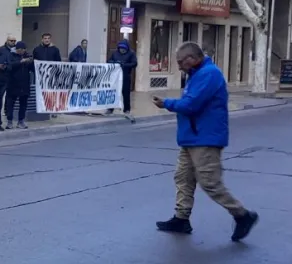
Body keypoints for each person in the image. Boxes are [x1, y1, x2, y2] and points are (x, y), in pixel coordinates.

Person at [152, 42, 258, 242]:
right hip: (191, 138)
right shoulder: (196, 75)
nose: (179, 66)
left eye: (180, 62)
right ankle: (181, 218)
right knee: (183, 178)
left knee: (210, 183)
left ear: (192, 59)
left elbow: (191, 104)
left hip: (205, 139)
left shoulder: (209, 74)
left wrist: (166, 103)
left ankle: (242, 215)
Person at [108, 40, 138, 121]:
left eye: (124, 48)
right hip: (116, 77)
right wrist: (115, 63)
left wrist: (124, 65)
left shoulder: (131, 54)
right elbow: (109, 61)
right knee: (113, 92)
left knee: (126, 94)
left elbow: (134, 63)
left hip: (125, 76)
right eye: (121, 48)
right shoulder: (115, 53)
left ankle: (127, 109)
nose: (122, 50)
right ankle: (110, 108)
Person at [5, 41, 33, 129]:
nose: (21, 51)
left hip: (24, 84)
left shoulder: (27, 56)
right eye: (20, 49)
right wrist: (21, 62)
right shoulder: (11, 55)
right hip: (13, 83)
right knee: (10, 103)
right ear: (16, 49)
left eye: (23, 49)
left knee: (23, 103)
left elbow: (32, 69)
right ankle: (9, 121)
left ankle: (21, 121)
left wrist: (31, 62)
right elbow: (10, 66)